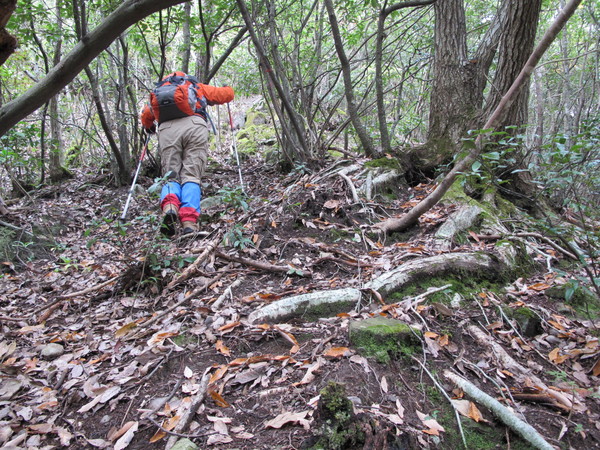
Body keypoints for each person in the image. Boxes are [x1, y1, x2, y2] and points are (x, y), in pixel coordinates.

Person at [140, 71, 234, 236]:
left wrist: (150, 127)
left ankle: (170, 207)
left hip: (168, 130)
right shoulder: (195, 87)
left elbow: (146, 116)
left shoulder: (158, 94)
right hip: (195, 127)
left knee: (171, 175)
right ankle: (189, 223)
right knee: (191, 176)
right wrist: (228, 89)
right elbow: (225, 95)